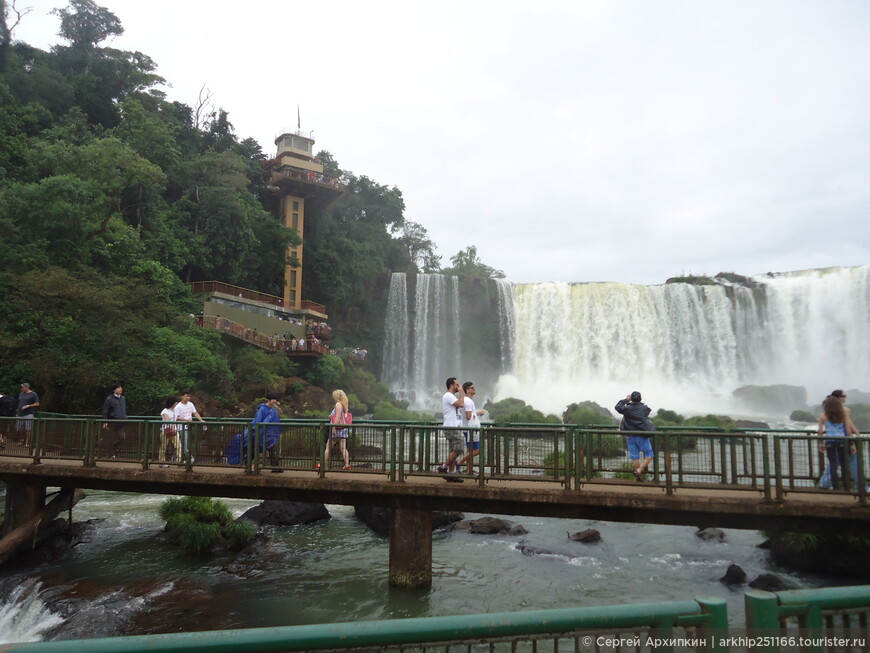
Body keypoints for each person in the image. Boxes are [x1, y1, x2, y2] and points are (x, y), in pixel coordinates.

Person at [818, 390, 863, 489]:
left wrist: (820, 443)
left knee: (833, 464)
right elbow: (848, 428)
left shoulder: (823, 416)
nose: (846, 397)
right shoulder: (844, 412)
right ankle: (849, 487)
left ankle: (833, 486)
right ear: (838, 399)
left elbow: (820, 431)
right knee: (843, 464)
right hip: (842, 440)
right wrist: (853, 442)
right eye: (844, 395)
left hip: (829, 441)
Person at [615, 391, 656, 482]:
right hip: (642, 436)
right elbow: (648, 411)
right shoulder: (644, 409)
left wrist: (625, 400)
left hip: (630, 436)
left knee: (635, 457)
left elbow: (617, 407)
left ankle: (638, 477)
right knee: (649, 455)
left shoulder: (627, 409)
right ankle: (639, 470)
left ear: (631, 398)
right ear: (640, 398)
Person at [437, 377, 466, 481]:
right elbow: (461, 404)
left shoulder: (451, 396)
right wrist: (462, 393)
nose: (459, 386)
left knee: (453, 451)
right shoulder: (448, 395)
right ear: (451, 385)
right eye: (457, 385)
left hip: (454, 427)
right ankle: (443, 466)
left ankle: (452, 474)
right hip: (451, 427)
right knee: (459, 448)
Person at [457, 381, 485, 475]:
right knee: (478, 450)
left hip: (467, 429)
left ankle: (469, 471)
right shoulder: (468, 401)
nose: (474, 389)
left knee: (470, 451)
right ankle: (459, 462)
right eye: (472, 388)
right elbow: (468, 416)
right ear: (467, 390)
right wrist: (478, 413)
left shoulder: (466, 400)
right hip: (470, 430)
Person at [318, 389, 351, 470]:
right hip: (343, 429)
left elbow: (338, 416)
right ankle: (347, 465)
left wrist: (333, 427)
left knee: (328, 447)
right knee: (343, 448)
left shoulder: (338, 404)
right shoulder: (344, 405)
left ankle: (321, 464)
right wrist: (331, 416)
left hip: (337, 429)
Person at [253, 392, 283, 472]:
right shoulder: (262, 409)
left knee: (271, 450)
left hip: (270, 434)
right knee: (256, 449)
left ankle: (275, 467)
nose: (274, 401)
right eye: (272, 399)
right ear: (268, 400)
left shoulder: (273, 409)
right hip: (262, 433)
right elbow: (258, 421)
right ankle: (251, 466)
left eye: (275, 399)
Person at [173, 392, 205, 463]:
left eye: (189, 396)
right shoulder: (178, 406)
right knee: (184, 443)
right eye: (186, 396)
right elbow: (177, 418)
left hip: (189, 426)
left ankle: (177, 457)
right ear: (182, 396)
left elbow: (195, 413)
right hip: (181, 427)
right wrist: (187, 420)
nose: (188, 398)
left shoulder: (190, 404)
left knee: (184, 443)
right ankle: (189, 458)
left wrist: (201, 420)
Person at [102, 384, 128, 458]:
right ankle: (110, 454)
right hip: (112, 420)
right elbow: (105, 410)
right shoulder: (109, 399)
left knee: (122, 437)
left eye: (120, 388)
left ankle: (113, 448)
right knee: (110, 438)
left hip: (122, 420)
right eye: (118, 388)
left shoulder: (123, 398)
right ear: (114, 390)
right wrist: (105, 421)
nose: (120, 389)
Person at [159, 396, 179, 467]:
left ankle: (180, 461)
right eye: (175, 402)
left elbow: (177, 418)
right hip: (166, 431)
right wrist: (171, 427)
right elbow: (167, 421)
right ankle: (161, 462)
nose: (176, 403)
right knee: (164, 446)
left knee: (178, 445)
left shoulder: (175, 411)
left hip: (174, 430)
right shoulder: (165, 411)